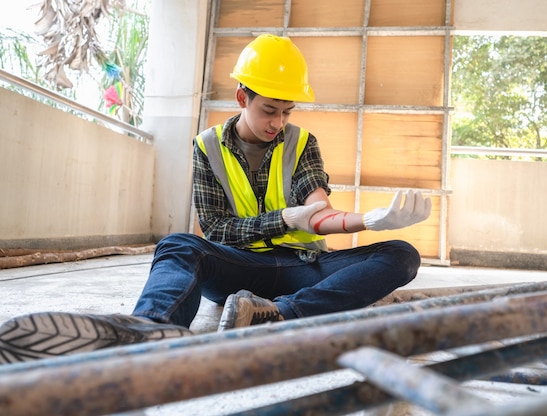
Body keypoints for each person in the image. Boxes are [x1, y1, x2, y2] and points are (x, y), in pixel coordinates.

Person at [0, 34, 431, 364]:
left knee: (401, 255)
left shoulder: (302, 142)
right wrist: (284, 219)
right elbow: (219, 229)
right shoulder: (207, 146)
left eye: (287, 112)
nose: (278, 122)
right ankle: (147, 331)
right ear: (243, 98)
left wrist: (367, 222)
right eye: (269, 110)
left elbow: (318, 212)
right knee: (178, 244)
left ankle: (278, 317)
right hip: (240, 266)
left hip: (307, 267)